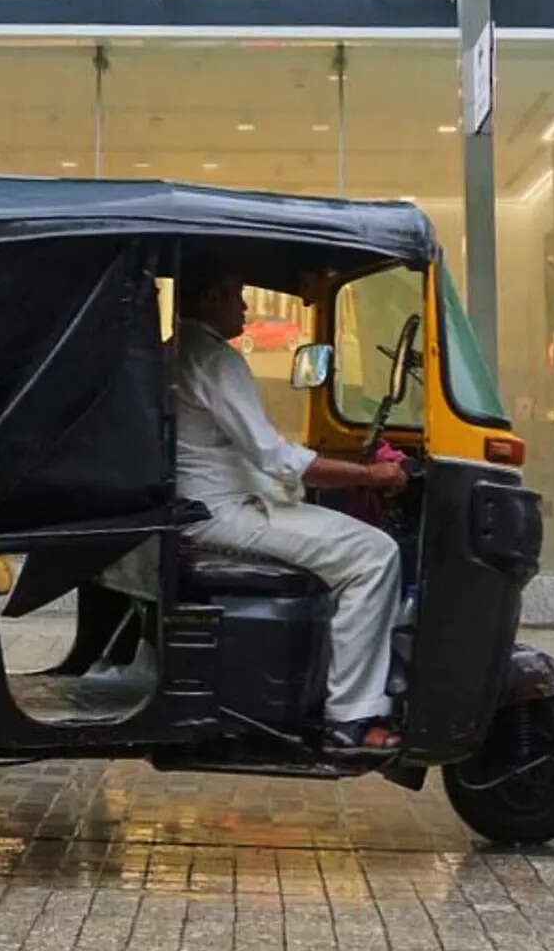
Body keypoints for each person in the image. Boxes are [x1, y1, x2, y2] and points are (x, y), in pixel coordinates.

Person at [173, 260, 410, 752]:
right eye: (236, 294)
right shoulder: (214, 359)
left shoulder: (174, 351)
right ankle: (352, 717)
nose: (244, 307)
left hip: (201, 509)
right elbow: (274, 456)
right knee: (375, 554)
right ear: (211, 299)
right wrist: (370, 475)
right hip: (222, 515)